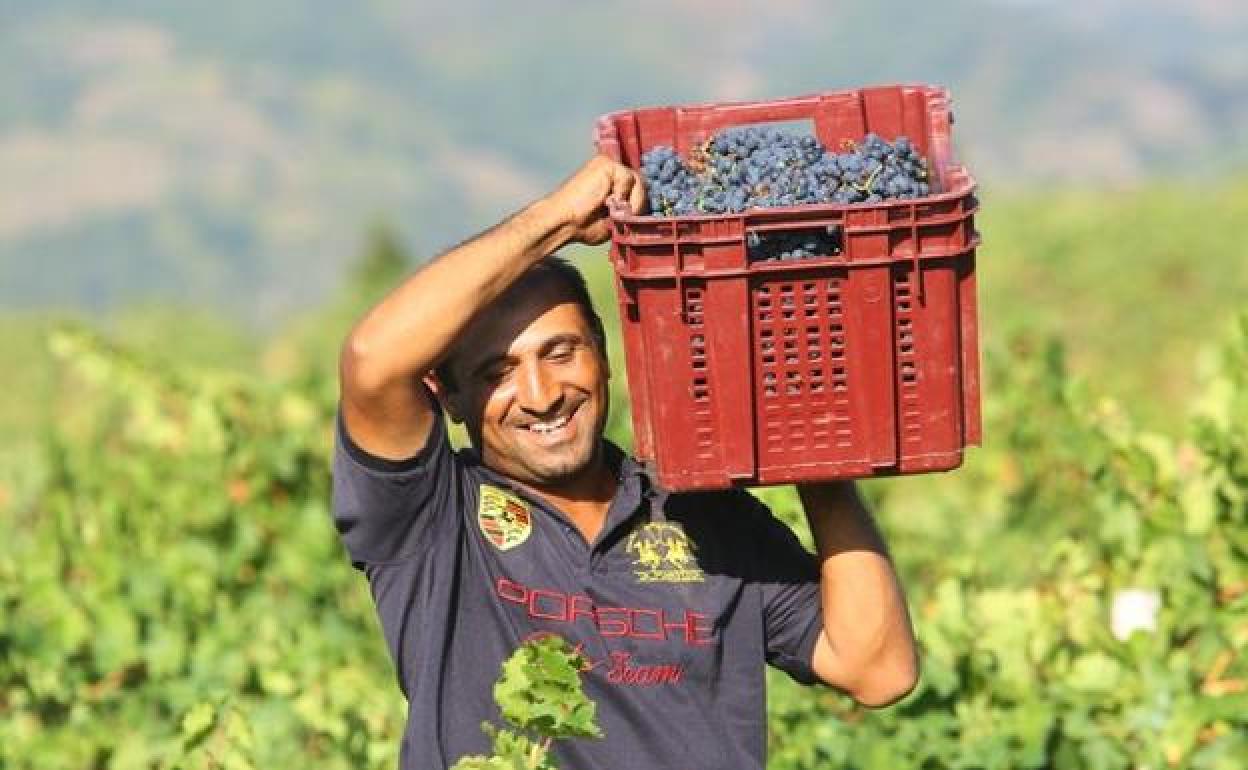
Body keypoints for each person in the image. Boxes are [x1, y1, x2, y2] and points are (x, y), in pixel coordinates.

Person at [331, 155, 918, 769]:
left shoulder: (703, 514)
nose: (541, 394)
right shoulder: (433, 520)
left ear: (604, 357)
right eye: (497, 373)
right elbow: (372, 359)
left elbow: (878, 669)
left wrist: (817, 459)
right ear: (448, 397)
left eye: (561, 353)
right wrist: (555, 219)